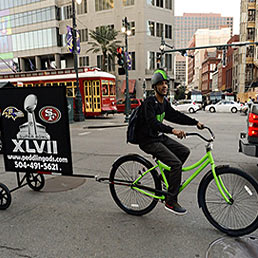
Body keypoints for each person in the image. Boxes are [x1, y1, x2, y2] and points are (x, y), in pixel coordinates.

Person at [135, 69, 204, 215]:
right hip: (147, 140)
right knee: (176, 164)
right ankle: (170, 201)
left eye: (166, 83)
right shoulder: (150, 103)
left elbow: (176, 116)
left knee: (184, 151)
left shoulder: (164, 103)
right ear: (154, 87)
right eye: (160, 84)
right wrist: (173, 130)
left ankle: (164, 178)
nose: (164, 86)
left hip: (158, 137)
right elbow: (153, 123)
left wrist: (195, 122)